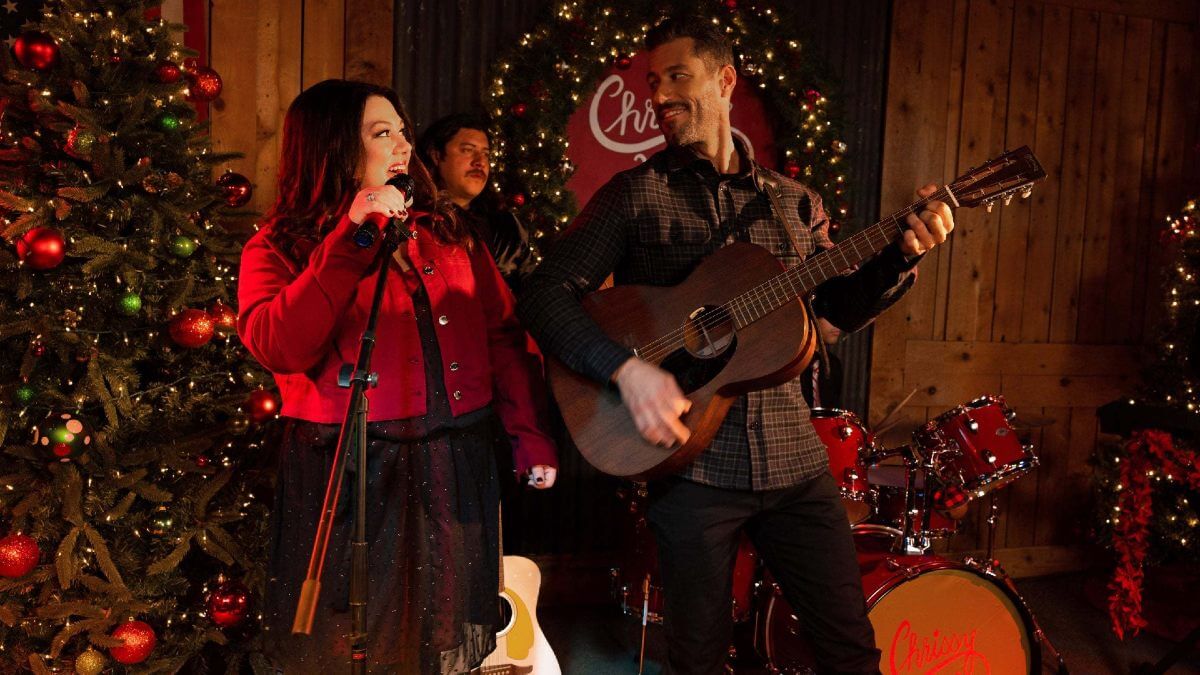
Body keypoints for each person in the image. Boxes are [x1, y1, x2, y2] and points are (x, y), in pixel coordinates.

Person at [517, 18, 954, 675]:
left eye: (677, 75)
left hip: (793, 461)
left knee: (850, 650)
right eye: (653, 82)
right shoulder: (637, 195)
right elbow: (544, 294)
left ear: (725, 80)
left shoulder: (792, 204)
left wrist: (898, 257)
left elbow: (831, 310)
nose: (660, 95)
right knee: (695, 660)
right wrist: (625, 369)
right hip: (690, 469)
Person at [237, 79, 558, 674]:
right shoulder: (278, 245)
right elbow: (278, 345)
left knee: (439, 630)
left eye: (403, 130)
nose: (404, 145)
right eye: (383, 133)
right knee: (354, 634)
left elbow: (503, 338)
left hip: (453, 456)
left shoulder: (449, 232)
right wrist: (350, 242)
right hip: (350, 465)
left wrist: (528, 435)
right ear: (333, 147)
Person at [416, 113, 537, 293]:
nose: (480, 162)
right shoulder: (416, 221)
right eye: (467, 150)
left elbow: (532, 290)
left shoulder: (506, 226)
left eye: (485, 154)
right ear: (436, 155)